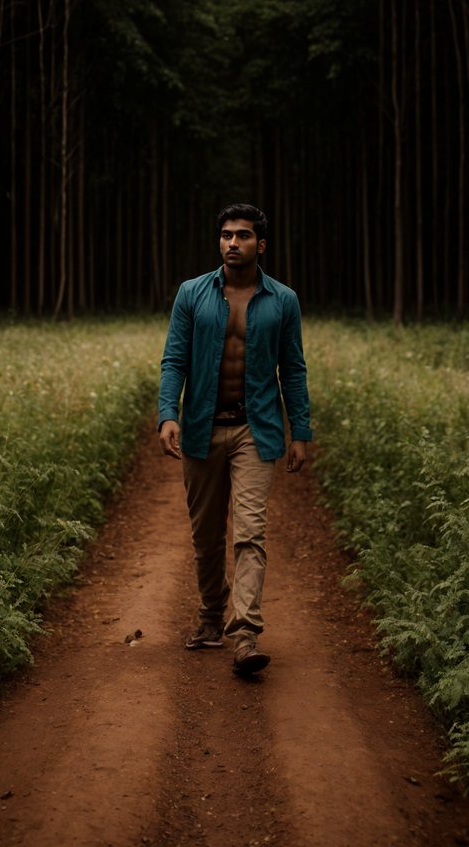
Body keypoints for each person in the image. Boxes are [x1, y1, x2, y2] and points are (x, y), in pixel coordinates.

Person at [157, 203, 313, 676]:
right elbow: (174, 360)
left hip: (255, 429)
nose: (232, 243)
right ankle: (209, 619)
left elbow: (294, 369)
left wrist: (300, 432)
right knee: (207, 536)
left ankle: (244, 634)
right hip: (202, 427)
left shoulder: (283, 300)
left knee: (249, 533)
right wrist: (167, 414)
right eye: (226, 235)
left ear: (260, 245)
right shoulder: (191, 294)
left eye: (242, 236)